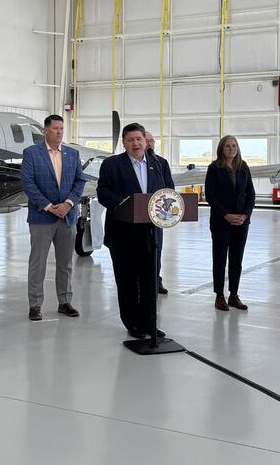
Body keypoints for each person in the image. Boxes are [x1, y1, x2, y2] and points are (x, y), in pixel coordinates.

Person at [97, 123, 175, 339]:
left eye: (139, 139)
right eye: (130, 140)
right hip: (122, 233)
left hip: (151, 233)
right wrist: (125, 203)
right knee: (127, 281)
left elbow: (169, 191)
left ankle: (150, 323)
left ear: (145, 140)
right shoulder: (112, 164)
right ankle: (133, 323)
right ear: (124, 143)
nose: (136, 143)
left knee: (151, 281)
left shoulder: (159, 164)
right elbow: (103, 191)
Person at [20, 114, 86, 321]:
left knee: (65, 264)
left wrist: (68, 204)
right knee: (37, 263)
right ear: (45, 130)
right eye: (55, 128)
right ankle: (35, 305)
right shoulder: (31, 153)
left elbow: (80, 181)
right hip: (42, 217)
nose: (59, 131)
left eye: (61, 128)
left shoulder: (73, 154)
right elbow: (28, 183)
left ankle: (64, 301)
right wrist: (49, 206)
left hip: (67, 217)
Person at [205, 135, 255, 311]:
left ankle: (234, 294)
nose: (231, 149)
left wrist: (245, 215)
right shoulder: (214, 168)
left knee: (237, 259)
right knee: (219, 259)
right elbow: (210, 196)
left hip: (241, 222)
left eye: (234, 146)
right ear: (221, 149)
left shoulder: (244, 167)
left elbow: (251, 195)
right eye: (227, 146)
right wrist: (226, 215)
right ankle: (219, 295)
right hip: (221, 221)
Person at [144, 130, 169, 295]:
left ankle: (156, 279)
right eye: (147, 141)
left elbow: (169, 188)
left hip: (156, 216)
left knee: (156, 249)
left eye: (152, 141)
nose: (150, 144)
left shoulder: (161, 163)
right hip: (135, 217)